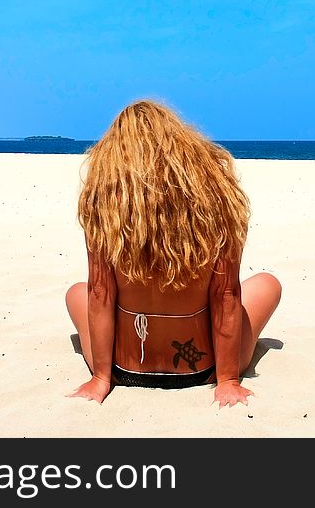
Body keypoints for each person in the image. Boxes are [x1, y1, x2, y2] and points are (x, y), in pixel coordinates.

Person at [65, 99, 281, 407]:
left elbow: (101, 292)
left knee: (78, 292)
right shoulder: (217, 201)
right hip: (202, 369)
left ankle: (107, 372)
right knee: (267, 284)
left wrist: (101, 378)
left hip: (124, 368)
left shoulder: (104, 206)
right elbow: (226, 295)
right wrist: (228, 380)